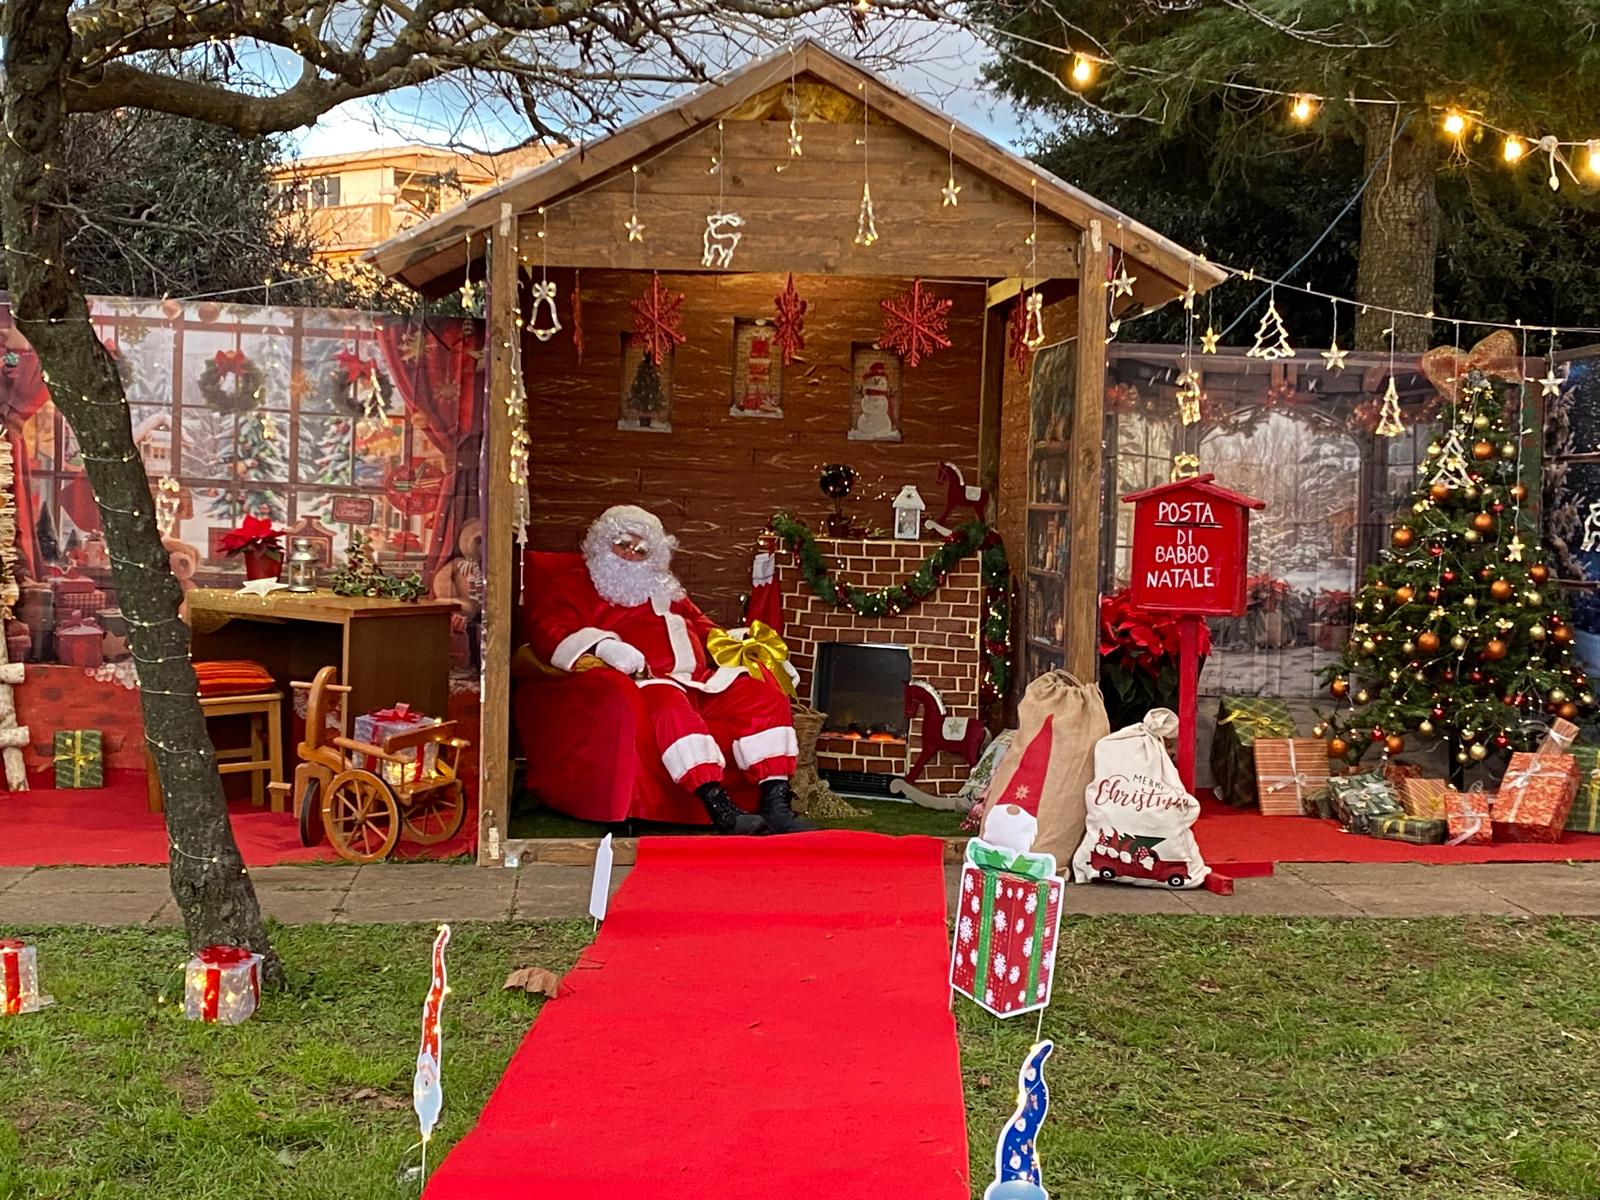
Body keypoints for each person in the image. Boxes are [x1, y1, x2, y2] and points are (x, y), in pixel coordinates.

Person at [528, 505, 814, 835]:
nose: (631, 554)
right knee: (670, 707)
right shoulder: (573, 586)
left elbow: (703, 626)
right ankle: (719, 805)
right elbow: (547, 631)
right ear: (602, 543)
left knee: (762, 696)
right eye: (623, 544)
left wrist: (747, 645)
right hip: (645, 683)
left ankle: (775, 803)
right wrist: (603, 646)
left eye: (641, 550)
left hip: (698, 682)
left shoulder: (665, 589)